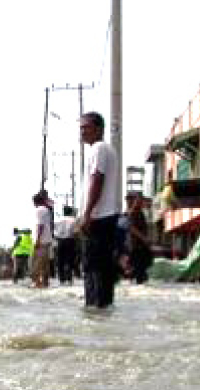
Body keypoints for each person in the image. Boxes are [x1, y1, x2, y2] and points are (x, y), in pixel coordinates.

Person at [79, 112, 120, 309]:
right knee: (103, 268)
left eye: (85, 127)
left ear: (98, 129)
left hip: (99, 217)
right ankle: (103, 309)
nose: (82, 131)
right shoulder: (107, 150)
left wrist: (87, 214)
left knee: (92, 267)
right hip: (105, 216)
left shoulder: (99, 148)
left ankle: (94, 309)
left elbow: (97, 179)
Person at [125, 194, 152, 283]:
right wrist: (143, 238)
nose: (141, 202)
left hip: (140, 243)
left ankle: (137, 276)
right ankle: (135, 276)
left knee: (143, 261)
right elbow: (132, 228)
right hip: (136, 243)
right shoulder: (133, 212)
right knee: (139, 262)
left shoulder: (140, 212)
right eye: (139, 200)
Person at [31, 192, 53, 288]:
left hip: (42, 240)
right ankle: (45, 282)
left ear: (35, 202)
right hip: (47, 239)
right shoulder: (46, 210)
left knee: (38, 262)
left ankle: (37, 283)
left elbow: (40, 225)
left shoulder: (39, 210)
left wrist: (37, 240)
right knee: (45, 263)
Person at [55, 205, 77, 285]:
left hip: (60, 241)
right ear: (70, 212)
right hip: (70, 240)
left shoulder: (58, 220)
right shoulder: (73, 220)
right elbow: (75, 232)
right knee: (69, 260)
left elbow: (55, 233)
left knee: (60, 260)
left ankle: (62, 280)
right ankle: (69, 279)